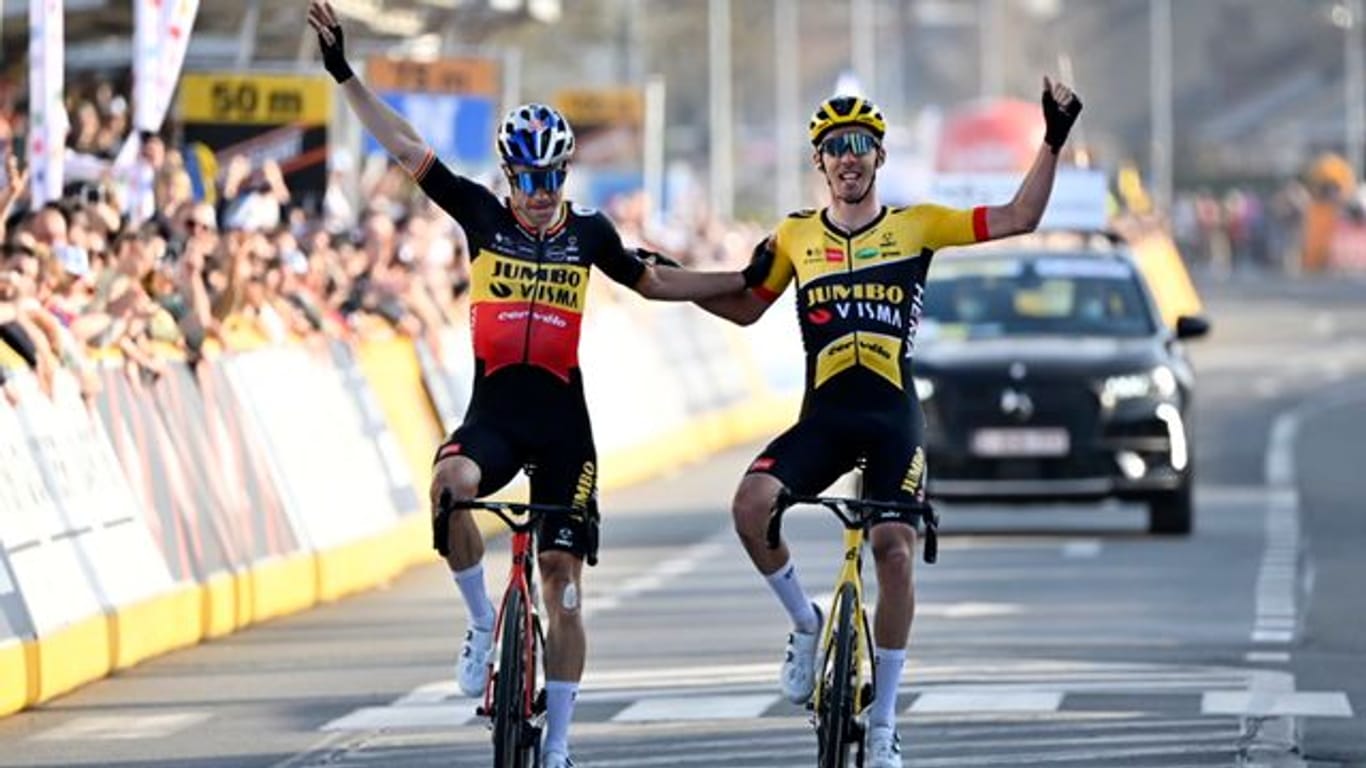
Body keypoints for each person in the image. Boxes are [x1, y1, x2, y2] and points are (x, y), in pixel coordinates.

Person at [306, 3, 770, 766]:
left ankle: (556, 745)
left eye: (552, 176)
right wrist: (344, 73)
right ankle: (481, 621)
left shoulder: (590, 233)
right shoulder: (481, 215)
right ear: (509, 175)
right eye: (529, 178)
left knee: (563, 584)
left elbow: (654, 282)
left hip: (562, 429)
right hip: (494, 414)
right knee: (450, 485)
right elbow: (405, 146)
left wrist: (740, 280)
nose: (541, 191)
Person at [697, 83, 1082, 767]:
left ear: (878, 155)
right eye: (834, 148)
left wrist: (1053, 138)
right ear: (821, 163)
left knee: (894, 550)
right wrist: (650, 279)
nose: (847, 158)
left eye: (859, 146)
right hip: (824, 418)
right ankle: (805, 624)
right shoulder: (794, 235)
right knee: (751, 505)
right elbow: (744, 301)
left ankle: (882, 726)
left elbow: (1021, 215)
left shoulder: (918, 226)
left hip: (889, 418)